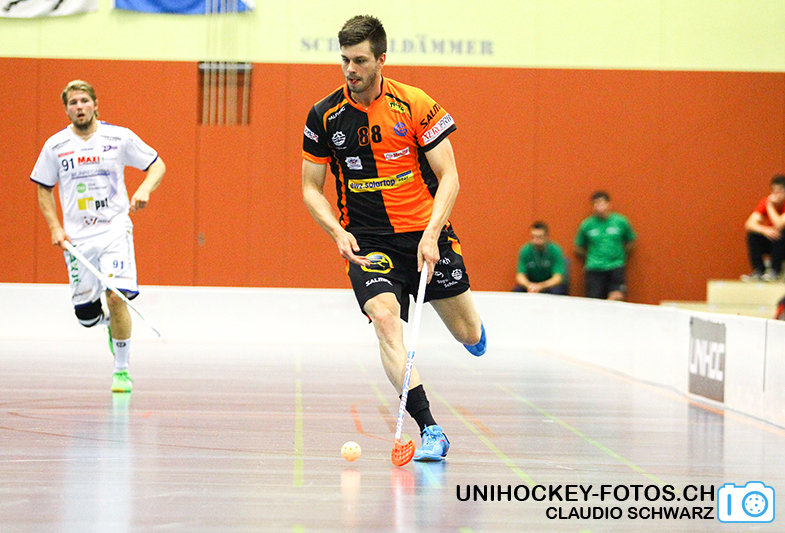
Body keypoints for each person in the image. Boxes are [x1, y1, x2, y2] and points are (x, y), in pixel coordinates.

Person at [301, 15, 485, 462]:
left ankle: (475, 333)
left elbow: (450, 176)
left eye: (360, 61)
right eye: (345, 60)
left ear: (381, 59)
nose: (350, 69)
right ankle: (430, 429)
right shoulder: (324, 115)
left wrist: (432, 234)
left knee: (468, 333)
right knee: (386, 321)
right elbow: (310, 187)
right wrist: (337, 231)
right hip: (369, 243)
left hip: (425, 234)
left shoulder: (415, 104)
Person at [31, 80, 165, 393]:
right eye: (73, 103)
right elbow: (43, 188)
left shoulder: (118, 137)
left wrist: (145, 189)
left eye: (84, 101)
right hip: (78, 239)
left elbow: (157, 165)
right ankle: (108, 325)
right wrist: (55, 227)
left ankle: (121, 371)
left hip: (114, 229)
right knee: (86, 316)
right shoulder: (55, 146)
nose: (79, 107)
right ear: (66, 109)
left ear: (95, 104)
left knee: (116, 296)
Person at [574, 190, 636, 301]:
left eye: (601, 203)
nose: (599, 207)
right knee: (594, 301)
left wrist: (619, 255)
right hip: (594, 268)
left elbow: (631, 241)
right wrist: (592, 257)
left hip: (616, 266)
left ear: (609, 204)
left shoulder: (621, 221)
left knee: (617, 297)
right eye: (595, 204)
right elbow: (578, 247)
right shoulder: (587, 225)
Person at [741, 174, 785, 282]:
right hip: (774, 243)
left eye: (780, 191)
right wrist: (765, 230)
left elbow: (779, 224)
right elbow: (749, 224)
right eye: (774, 191)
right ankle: (759, 270)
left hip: (782, 242)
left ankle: (775, 271)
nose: (776, 194)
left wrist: (769, 206)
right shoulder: (765, 202)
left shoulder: (769, 204)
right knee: (753, 235)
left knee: (781, 232)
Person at [513, 221, 568, 295]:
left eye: (539, 237)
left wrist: (541, 286)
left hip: (549, 285)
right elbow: (520, 276)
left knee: (557, 291)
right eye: (533, 237)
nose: (536, 240)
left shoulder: (555, 250)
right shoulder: (525, 250)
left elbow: (558, 278)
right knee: (517, 290)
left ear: (547, 237)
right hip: (531, 284)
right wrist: (529, 286)